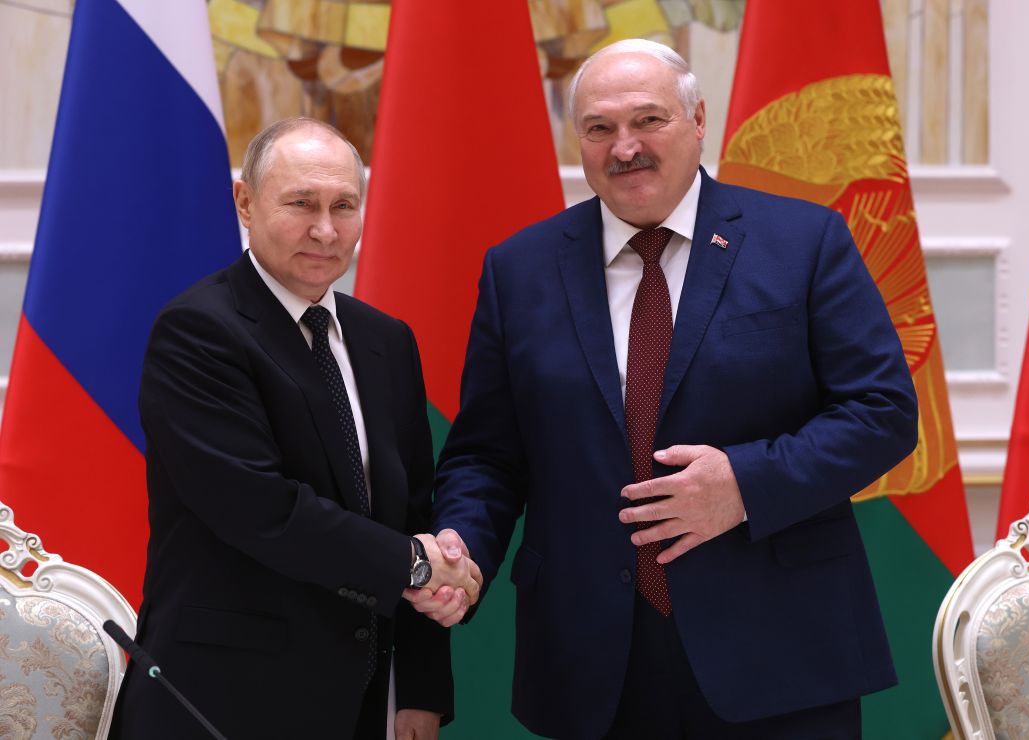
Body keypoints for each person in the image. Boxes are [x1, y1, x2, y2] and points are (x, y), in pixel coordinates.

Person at [417, 40, 919, 738]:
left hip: (779, 650)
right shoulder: (518, 270)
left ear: (698, 120)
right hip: (591, 663)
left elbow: (882, 413)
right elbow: (488, 456)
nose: (625, 148)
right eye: (599, 129)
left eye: (647, 120)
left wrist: (744, 483)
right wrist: (462, 548)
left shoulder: (804, 242)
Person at [109, 118, 478, 740]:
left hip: (364, 701)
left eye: (344, 206)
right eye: (301, 204)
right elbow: (263, 510)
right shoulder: (199, 331)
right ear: (246, 203)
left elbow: (413, 509)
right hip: (222, 701)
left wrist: (419, 687)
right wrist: (416, 566)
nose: (326, 230)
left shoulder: (386, 340)